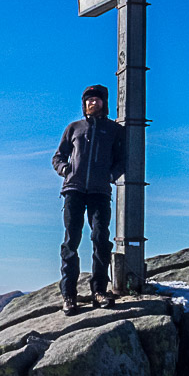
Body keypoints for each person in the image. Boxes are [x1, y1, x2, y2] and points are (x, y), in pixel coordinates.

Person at [52, 84, 125, 314]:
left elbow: (123, 159)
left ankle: (99, 291)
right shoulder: (74, 128)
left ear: (104, 103)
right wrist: (65, 169)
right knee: (71, 241)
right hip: (73, 189)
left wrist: (110, 176)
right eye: (88, 100)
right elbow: (58, 156)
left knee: (101, 239)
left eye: (96, 99)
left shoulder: (114, 130)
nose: (92, 103)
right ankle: (69, 295)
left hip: (100, 192)